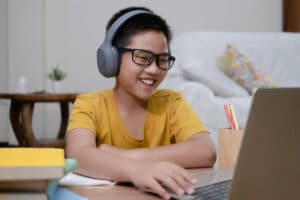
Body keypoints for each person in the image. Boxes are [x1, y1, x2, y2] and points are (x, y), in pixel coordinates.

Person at [66, 6, 216, 200]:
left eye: (162, 60)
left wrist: (121, 155)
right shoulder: (89, 105)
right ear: (112, 57)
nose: (154, 70)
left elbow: (205, 151)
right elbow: (78, 155)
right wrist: (134, 170)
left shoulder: (172, 103)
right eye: (143, 58)